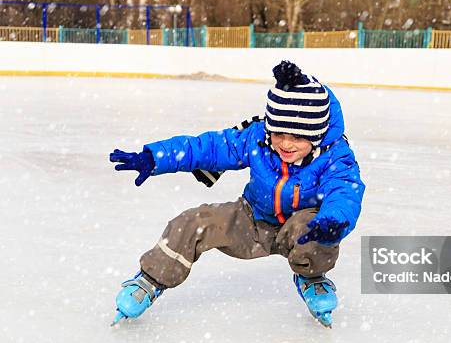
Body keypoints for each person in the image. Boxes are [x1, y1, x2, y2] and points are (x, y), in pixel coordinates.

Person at [109, 61, 365, 328]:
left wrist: (333, 221)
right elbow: (208, 147)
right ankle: (151, 279)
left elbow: (345, 193)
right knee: (193, 221)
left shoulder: (335, 156)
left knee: (316, 229)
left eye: (297, 137)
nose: (286, 144)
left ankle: (312, 276)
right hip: (252, 219)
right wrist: (155, 158)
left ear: (316, 134)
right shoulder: (257, 137)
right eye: (279, 133)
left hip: (300, 226)